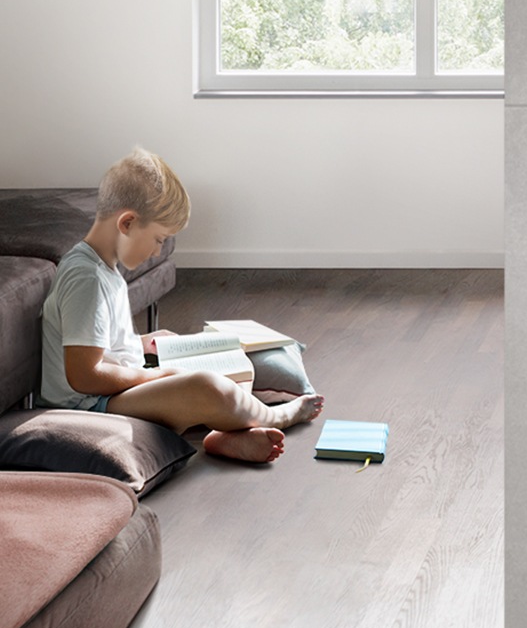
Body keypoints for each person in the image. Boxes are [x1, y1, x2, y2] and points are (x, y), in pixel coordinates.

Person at [39, 147, 324, 462]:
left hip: (115, 390)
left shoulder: (103, 269)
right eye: (159, 239)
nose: (157, 251)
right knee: (207, 387)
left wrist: (142, 343)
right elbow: (84, 376)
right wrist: (157, 376)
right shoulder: (88, 280)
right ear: (127, 224)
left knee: (229, 364)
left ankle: (224, 435)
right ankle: (279, 416)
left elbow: (99, 344)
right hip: (92, 406)